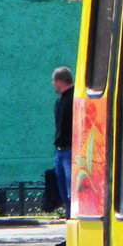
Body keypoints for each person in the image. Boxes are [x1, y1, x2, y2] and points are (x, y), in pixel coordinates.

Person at [52, 66, 74, 218]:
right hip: (59, 151)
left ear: (59, 81)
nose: (52, 84)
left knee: (72, 192)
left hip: (71, 151)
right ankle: (68, 231)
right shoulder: (59, 101)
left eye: (53, 81)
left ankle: (72, 233)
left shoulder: (75, 98)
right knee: (64, 195)